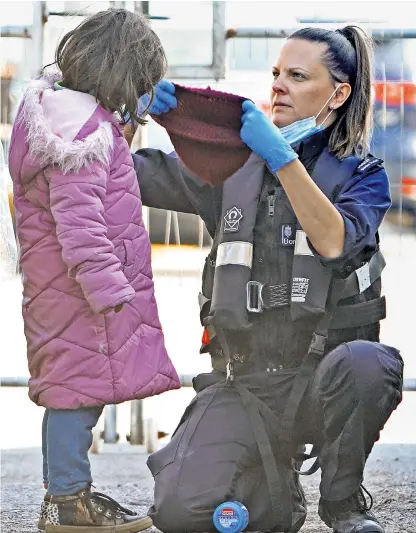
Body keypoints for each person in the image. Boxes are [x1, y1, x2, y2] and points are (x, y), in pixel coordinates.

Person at [131, 26, 404, 533]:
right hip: (243, 384)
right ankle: (276, 489)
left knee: (370, 365)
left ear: (339, 94)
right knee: (180, 512)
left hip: (325, 380)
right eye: (276, 74)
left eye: (297, 76)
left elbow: (333, 241)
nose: (278, 86)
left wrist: (282, 157)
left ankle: (343, 504)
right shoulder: (230, 165)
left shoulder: (362, 174)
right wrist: (122, 110)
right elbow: (128, 175)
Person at [8, 8, 180, 533]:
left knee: (73, 389)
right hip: (82, 293)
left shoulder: (65, 115)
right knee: (74, 396)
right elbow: (79, 222)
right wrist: (108, 287)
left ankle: (68, 495)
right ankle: (67, 504)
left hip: (63, 289)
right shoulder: (82, 134)